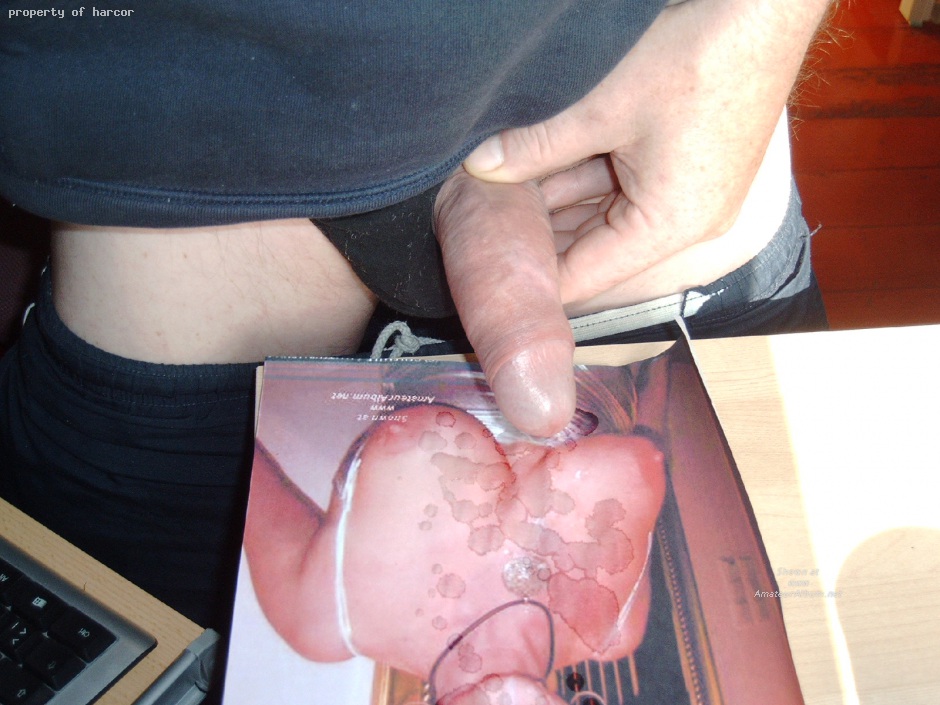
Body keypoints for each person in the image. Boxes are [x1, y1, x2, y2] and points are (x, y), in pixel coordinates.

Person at [0, 0, 833, 658]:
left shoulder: (326, 620)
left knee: (110, 650)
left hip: (195, 145)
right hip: (623, 162)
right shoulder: (612, 626)